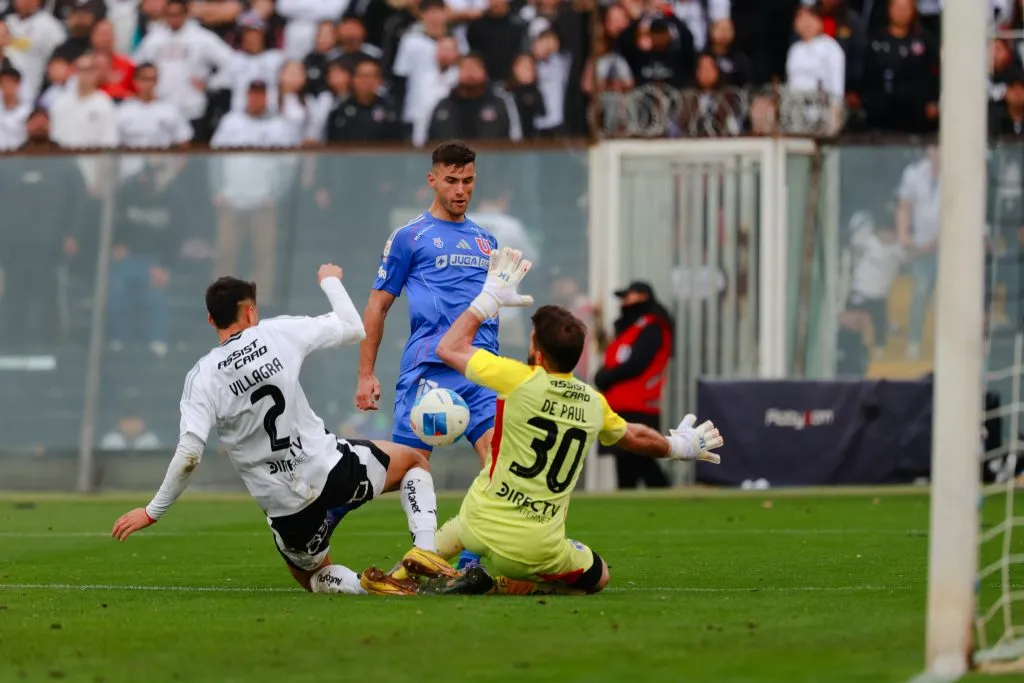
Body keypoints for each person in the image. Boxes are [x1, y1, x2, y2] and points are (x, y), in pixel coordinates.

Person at [391, 247, 723, 596]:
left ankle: (402, 572)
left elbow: (449, 347)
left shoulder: (517, 378)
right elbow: (635, 437)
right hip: (534, 549)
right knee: (599, 576)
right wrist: (680, 445)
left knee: (469, 519)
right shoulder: (594, 404)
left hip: (478, 523)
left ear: (536, 351)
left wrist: (489, 299)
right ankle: (501, 585)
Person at [111, 264, 457, 596]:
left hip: (285, 505)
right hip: (331, 470)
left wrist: (152, 511)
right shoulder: (276, 333)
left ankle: (364, 585)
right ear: (249, 312)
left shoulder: (203, 377)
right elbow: (354, 327)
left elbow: (189, 455)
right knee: (413, 462)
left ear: (210, 319)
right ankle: (424, 547)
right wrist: (330, 281)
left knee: (314, 576)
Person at [356, 140, 500, 572]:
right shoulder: (410, 237)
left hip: (478, 371)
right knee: (406, 467)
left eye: (468, 180)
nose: (461, 190)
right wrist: (366, 374)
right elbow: (377, 305)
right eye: (452, 180)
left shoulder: (486, 240)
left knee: (502, 467)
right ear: (432, 179)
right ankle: (328, 505)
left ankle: (467, 560)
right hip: (429, 372)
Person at [594, 282, 674, 489]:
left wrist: (606, 377)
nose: (623, 302)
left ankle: (665, 496)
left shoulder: (652, 326)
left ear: (642, 296)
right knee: (626, 462)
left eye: (627, 296)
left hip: (639, 405)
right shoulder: (630, 328)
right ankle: (632, 501)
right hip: (622, 403)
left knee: (642, 460)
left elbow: (637, 364)